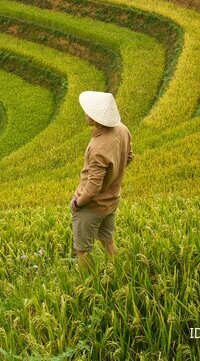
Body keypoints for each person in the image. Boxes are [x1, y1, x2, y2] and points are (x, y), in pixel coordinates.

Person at [70, 91, 134, 271]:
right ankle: (121, 273)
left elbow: (92, 189)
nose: (85, 114)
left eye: (88, 112)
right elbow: (128, 157)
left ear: (97, 118)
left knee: (83, 250)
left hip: (91, 206)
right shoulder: (122, 129)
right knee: (108, 241)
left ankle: (88, 286)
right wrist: (112, 177)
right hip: (111, 201)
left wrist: (77, 203)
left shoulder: (98, 147)